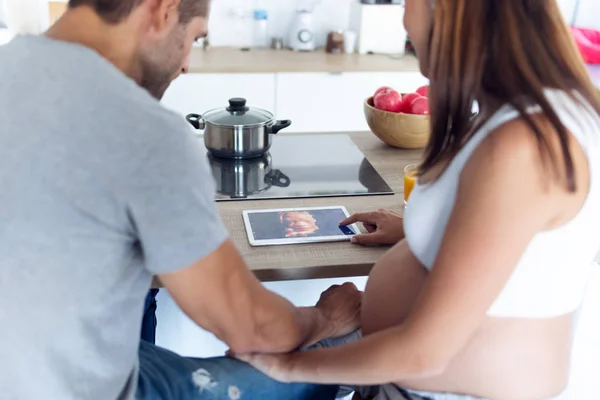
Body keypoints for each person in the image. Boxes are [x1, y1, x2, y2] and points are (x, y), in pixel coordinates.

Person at [235, 1, 600, 399]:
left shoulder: (524, 145)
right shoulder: (534, 110)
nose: (403, 18)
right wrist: (422, 230)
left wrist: (286, 366)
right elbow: (520, 253)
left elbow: (425, 353)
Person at [0, 1, 362, 399]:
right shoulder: (142, 130)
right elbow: (252, 329)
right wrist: (325, 319)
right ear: (163, 11)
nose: (186, 63)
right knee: (327, 358)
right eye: (193, 38)